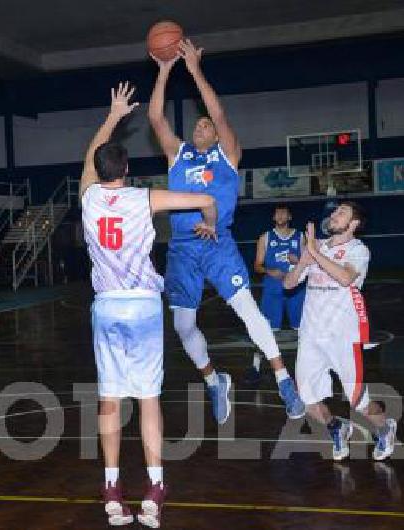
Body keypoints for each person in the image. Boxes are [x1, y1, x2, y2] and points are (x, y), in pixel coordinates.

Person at [82, 82, 218, 528]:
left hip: (106, 308)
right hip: (141, 307)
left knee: (109, 401)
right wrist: (210, 225)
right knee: (148, 399)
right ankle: (155, 485)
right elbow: (206, 199)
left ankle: (111, 486)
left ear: (99, 169)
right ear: (126, 168)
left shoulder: (87, 198)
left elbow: (91, 154)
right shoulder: (145, 198)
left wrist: (113, 113)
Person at [148, 38, 305, 423]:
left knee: (249, 311)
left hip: (218, 244)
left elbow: (217, 112)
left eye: (206, 125)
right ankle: (215, 380)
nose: (201, 125)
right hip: (182, 249)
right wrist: (165, 70)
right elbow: (156, 118)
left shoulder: (228, 154)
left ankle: (284, 378)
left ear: (217, 136)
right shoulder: (178, 155)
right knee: (183, 326)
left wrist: (195, 70)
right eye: (198, 123)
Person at [283, 201, 397, 461]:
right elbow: (289, 284)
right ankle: (337, 427)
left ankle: (385, 427)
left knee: (358, 401)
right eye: (334, 212)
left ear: (353, 224)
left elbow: (345, 278)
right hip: (311, 335)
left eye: (341, 213)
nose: (334, 215)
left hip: (344, 336)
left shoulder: (358, 250)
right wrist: (303, 261)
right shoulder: (317, 247)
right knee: (307, 399)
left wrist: (315, 252)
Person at [245, 204, 306, 384]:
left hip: (296, 288)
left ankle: (306, 368)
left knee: (302, 330)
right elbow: (257, 265)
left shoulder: (300, 236)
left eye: (284, 213)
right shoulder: (265, 237)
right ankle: (255, 367)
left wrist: (299, 261)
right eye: (277, 213)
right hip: (273, 288)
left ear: (289, 217)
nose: (280, 216)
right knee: (267, 329)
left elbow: (308, 262)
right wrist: (269, 271)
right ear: (273, 217)